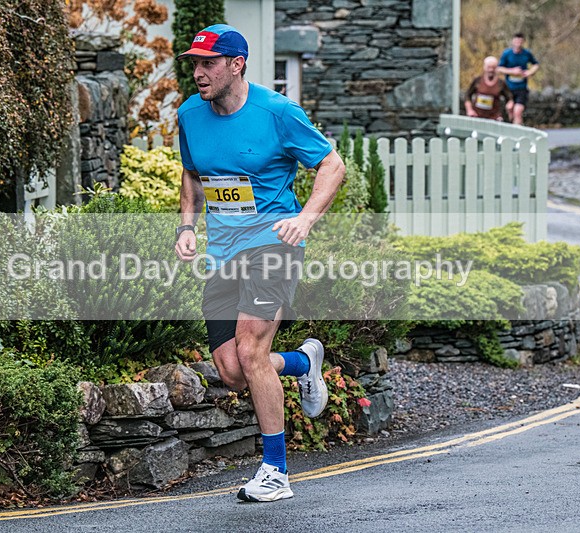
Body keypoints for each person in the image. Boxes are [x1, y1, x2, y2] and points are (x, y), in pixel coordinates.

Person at [174, 24, 346, 502]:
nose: (199, 73)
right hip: (223, 252)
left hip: (274, 244)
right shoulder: (189, 114)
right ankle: (302, 362)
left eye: (209, 63)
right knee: (233, 370)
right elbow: (192, 174)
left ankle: (275, 472)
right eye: (195, 64)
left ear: (237, 65)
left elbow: (333, 165)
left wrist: (306, 219)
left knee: (250, 350)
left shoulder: (277, 113)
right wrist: (186, 227)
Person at [497, 33, 540, 125]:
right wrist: (512, 71)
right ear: (513, 41)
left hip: (521, 88)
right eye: (516, 41)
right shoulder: (507, 54)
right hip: (509, 88)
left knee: (518, 111)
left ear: (523, 42)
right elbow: (499, 68)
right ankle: (512, 125)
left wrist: (530, 72)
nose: (518, 43)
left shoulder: (526, 53)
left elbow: (536, 64)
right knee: (510, 108)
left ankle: (518, 128)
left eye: (520, 41)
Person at [464, 56, 513, 121]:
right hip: (477, 116)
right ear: (484, 67)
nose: (491, 70)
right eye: (489, 67)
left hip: (494, 118)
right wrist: (469, 110)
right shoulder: (478, 80)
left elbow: (509, 97)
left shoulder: (500, 83)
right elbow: (467, 95)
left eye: (493, 67)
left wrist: (510, 105)